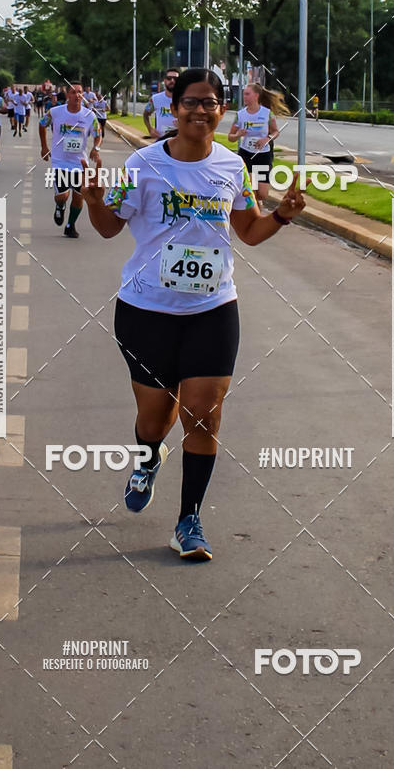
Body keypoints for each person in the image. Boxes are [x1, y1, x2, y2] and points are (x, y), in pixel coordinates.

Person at [81, 68, 307, 561]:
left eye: (210, 102)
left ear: (222, 110)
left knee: (203, 418)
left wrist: (283, 216)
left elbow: (248, 231)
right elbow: (105, 229)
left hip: (213, 309)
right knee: (154, 417)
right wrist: (94, 201)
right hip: (146, 312)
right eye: (191, 102)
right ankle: (146, 460)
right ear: (174, 105)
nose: (201, 110)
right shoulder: (141, 165)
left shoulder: (232, 168)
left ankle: (189, 520)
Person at [39, 81, 102, 239]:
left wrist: (96, 148)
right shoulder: (55, 112)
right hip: (60, 161)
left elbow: (98, 135)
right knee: (63, 196)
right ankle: (60, 206)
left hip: (80, 162)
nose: (77, 95)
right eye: (73, 92)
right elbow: (41, 125)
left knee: (79, 195)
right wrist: (44, 147)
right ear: (67, 95)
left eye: (80, 92)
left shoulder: (89, 116)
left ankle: (70, 225)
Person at [228, 82, 289, 212]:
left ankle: (257, 201)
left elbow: (276, 131)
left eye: (247, 94)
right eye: (244, 94)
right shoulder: (240, 115)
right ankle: (254, 215)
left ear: (256, 95)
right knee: (250, 187)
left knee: (262, 193)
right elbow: (230, 137)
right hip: (246, 153)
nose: (244, 97)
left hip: (263, 155)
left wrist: (267, 138)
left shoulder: (267, 113)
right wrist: (238, 134)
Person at [143, 68, 179, 138]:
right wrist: (150, 129)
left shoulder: (185, 99)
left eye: (175, 79)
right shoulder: (155, 99)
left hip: (180, 141)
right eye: (169, 78)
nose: (172, 81)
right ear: (165, 80)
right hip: (161, 141)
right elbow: (145, 115)